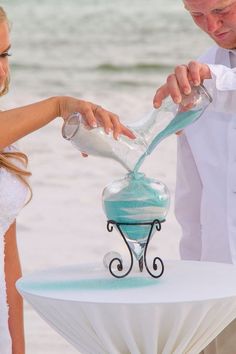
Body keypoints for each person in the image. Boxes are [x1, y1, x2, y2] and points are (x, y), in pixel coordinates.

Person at [0, 6, 135, 354]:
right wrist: (58, 105)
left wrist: (16, 345)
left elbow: (7, 260)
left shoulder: (8, 145)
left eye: (4, 55)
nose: (1, 71)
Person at [153, 0, 236, 353]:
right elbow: (193, 196)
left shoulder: (211, 77)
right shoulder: (201, 73)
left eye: (222, 10)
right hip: (218, 286)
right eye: (196, 15)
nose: (212, 26)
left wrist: (215, 81)